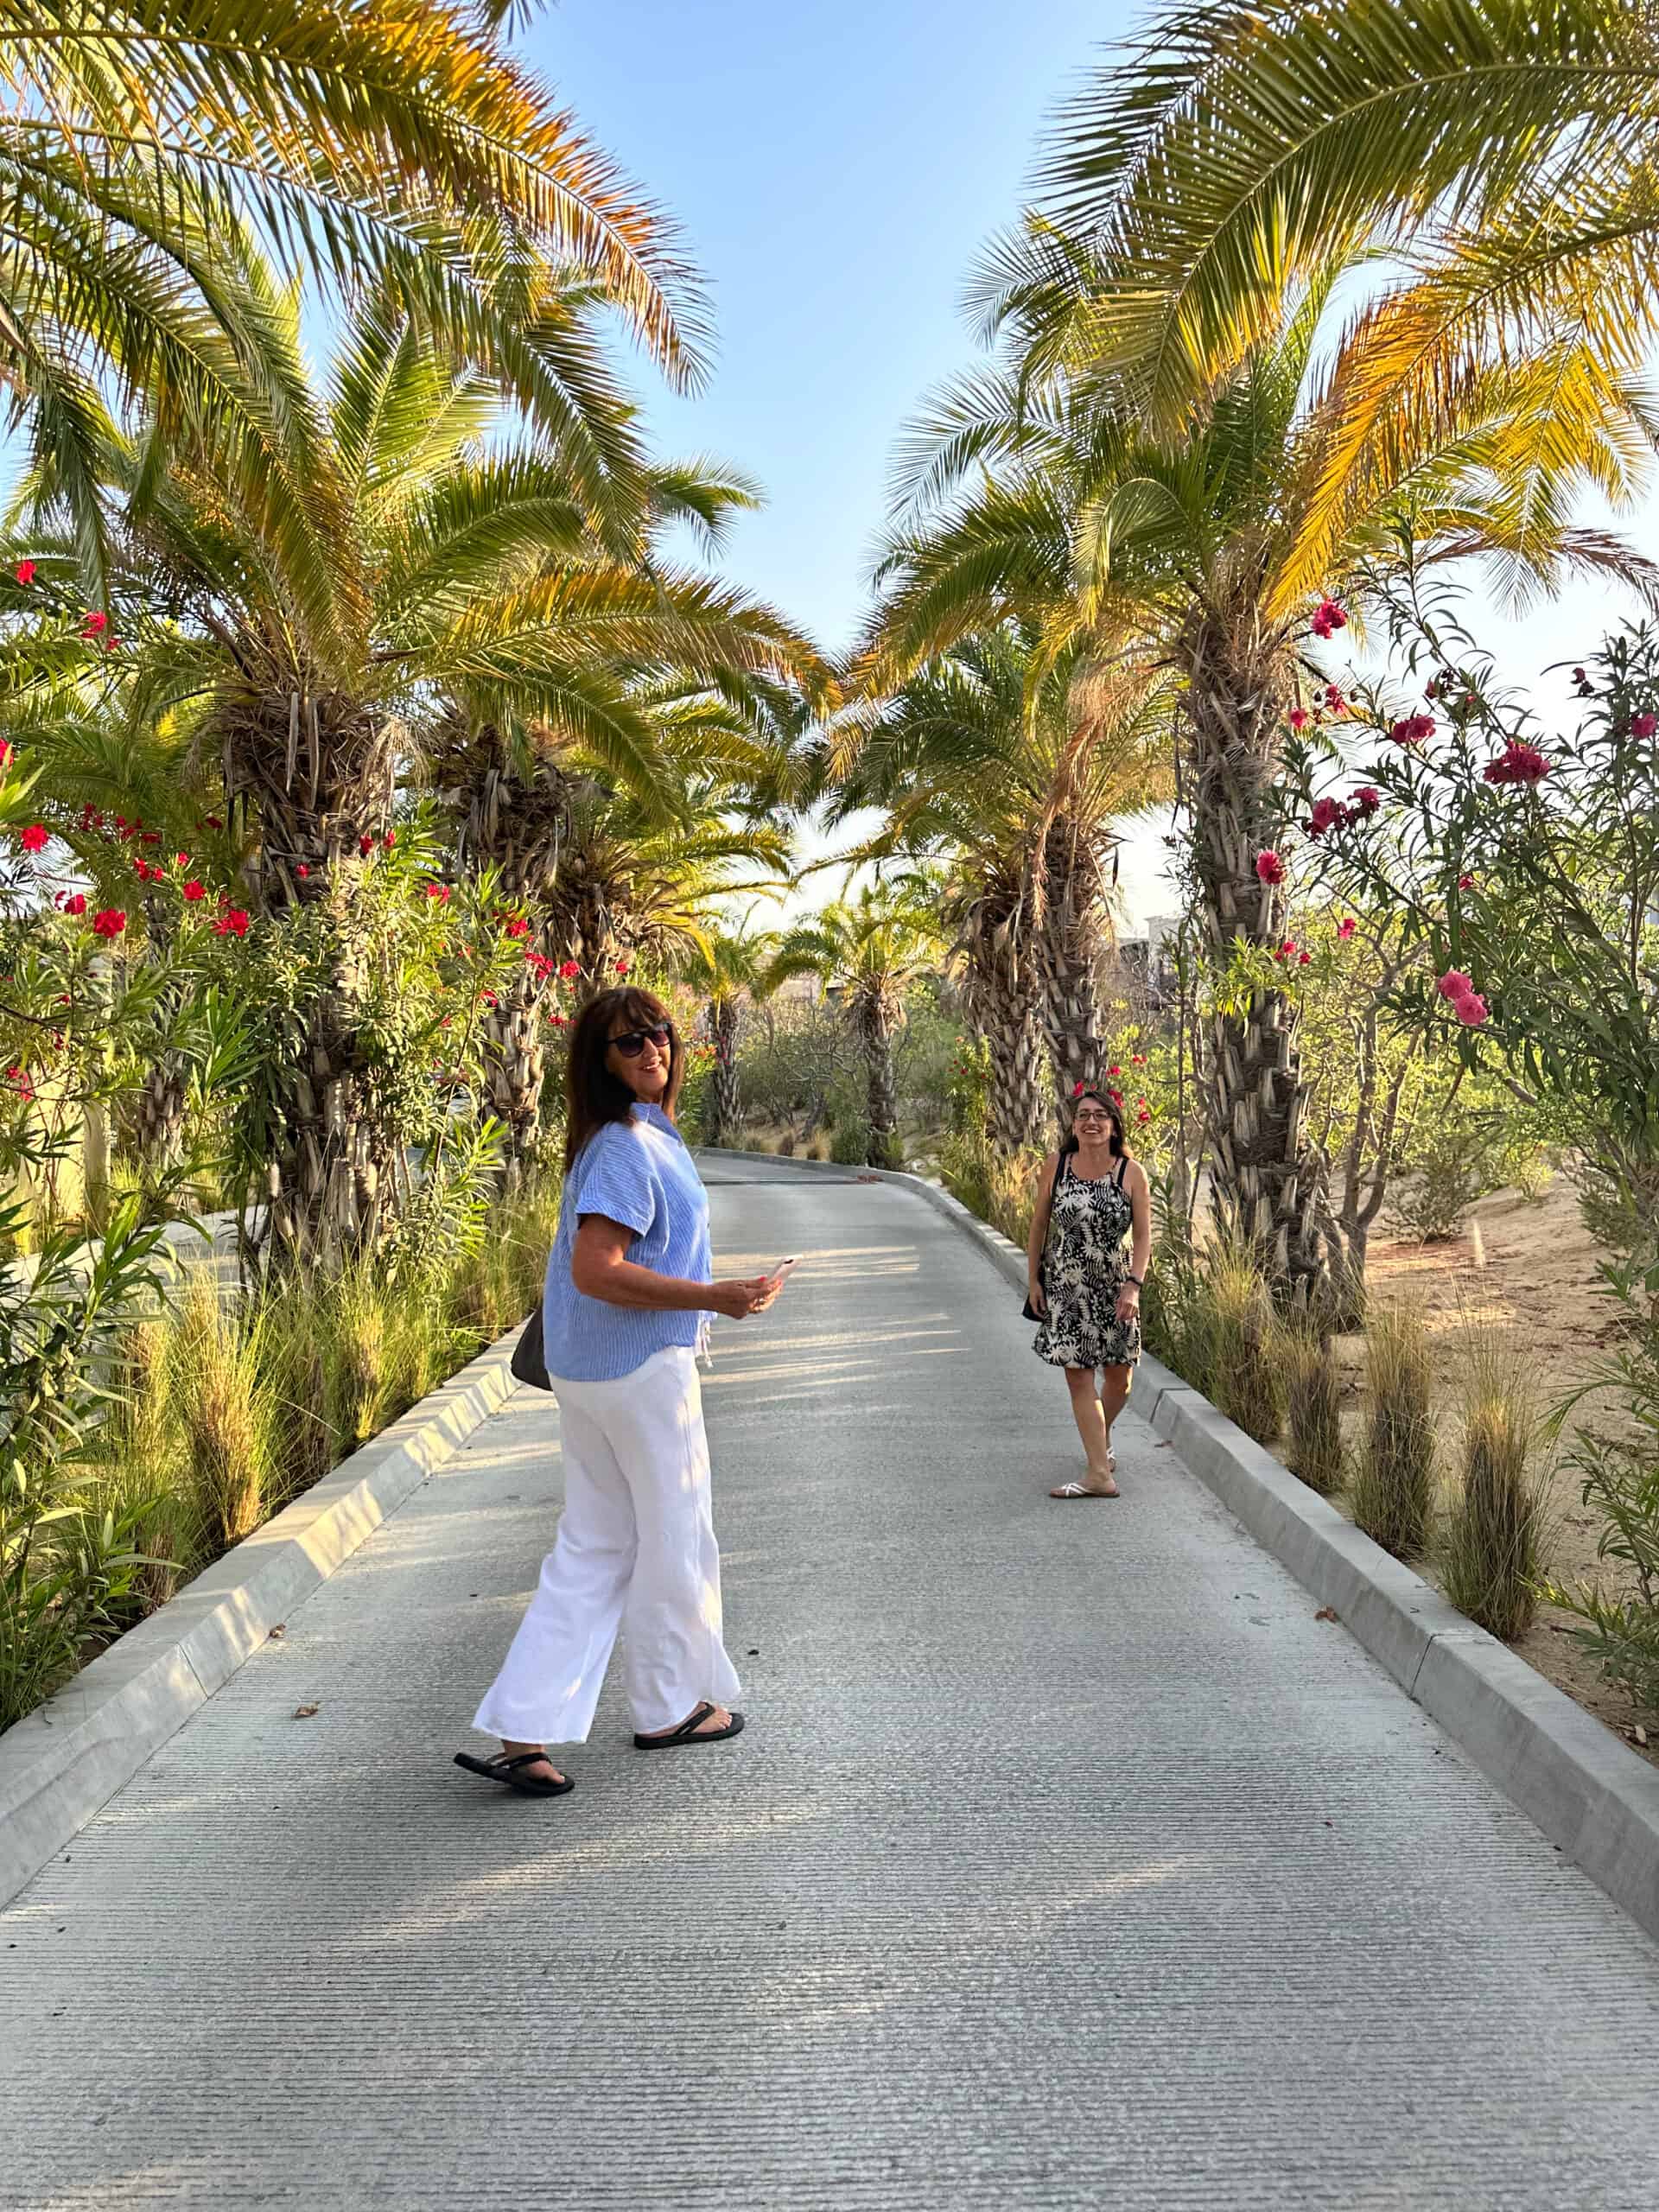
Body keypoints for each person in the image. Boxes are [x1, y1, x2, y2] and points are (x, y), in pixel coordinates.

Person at [455, 987, 781, 1799]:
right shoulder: (627, 1147)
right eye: (629, 1043)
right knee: (675, 1537)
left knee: (595, 1547)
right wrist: (718, 1296)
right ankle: (668, 1707)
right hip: (639, 1373)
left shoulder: (622, 1137)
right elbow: (596, 1270)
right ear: (601, 1062)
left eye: (660, 1035)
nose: (652, 1052)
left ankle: (523, 1729)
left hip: (590, 1372)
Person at [1026, 1084, 1153, 1500]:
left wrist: (1134, 1286)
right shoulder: (1057, 1165)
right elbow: (1040, 1226)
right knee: (1080, 1379)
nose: (1091, 1122)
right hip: (1067, 1286)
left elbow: (1144, 1238)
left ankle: (1100, 1437)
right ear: (1073, 1125)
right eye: (1083, 1115)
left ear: (1114, 1125)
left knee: (1120, 1380)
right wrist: (1033, 1281)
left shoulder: (1130, 1172)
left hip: (1117, 1287)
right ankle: (1100, 1473)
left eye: (1100, 1115)